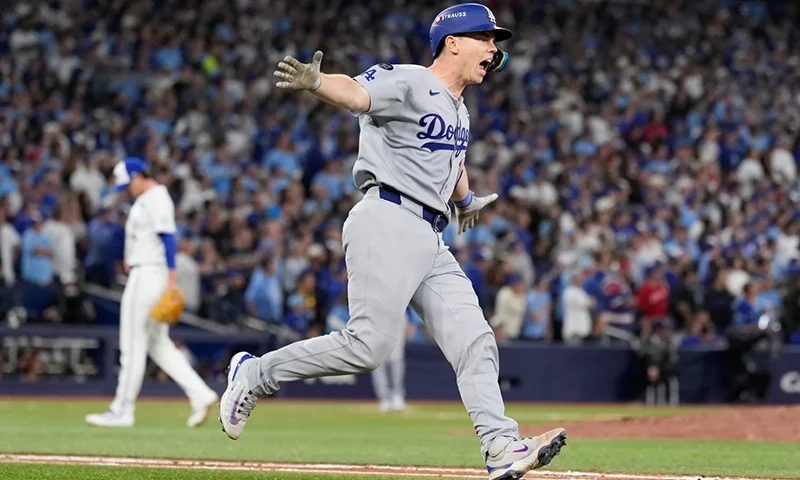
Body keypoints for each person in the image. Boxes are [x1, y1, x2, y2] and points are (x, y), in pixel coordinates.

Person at [218, 4, 566, 479]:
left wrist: (466, 201)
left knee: (474, 338)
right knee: (368, 347)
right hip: (387, 217)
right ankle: (255, 374)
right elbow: (357, 94)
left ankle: (500, 445)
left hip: (430, 235)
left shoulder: (459, 109)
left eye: (494, 41)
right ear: (453, 43)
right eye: (485, 38)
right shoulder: (409, 80)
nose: (493, 48)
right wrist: (318, 83)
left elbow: (450, 162)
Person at [86, 158, 218, 428]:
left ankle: (122, 410)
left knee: (132, 344)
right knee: (158, 344)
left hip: (148, 273)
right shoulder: (148, 198)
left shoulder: (156, 197)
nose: (126, 189)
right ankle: (201, 394)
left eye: (128, 183)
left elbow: (168, 237)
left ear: (138, 175)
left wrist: (171, 278)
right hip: (147, 271)